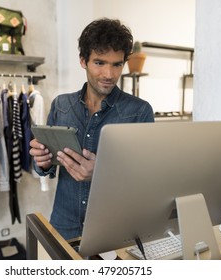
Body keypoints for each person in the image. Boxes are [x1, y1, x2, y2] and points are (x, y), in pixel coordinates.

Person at [29, 18, 154, 240]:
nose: (109, 74)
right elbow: (46, 169)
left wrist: (103, 175)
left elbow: (146, 183)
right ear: (83, 61)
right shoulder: (61, 105)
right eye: (99, 62)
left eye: (117, 64)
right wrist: (43, 162)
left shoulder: (140, 111)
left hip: (113, 228)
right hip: (63, 222)